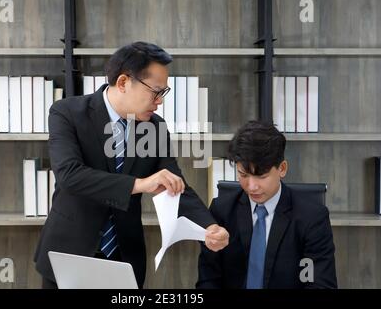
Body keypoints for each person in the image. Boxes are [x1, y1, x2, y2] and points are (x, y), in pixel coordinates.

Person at [34, 41, 229, 289]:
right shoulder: (67, 113)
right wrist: (141, 184)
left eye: (163, 93)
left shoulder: (154, 126)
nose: (159, 101)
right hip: (68, 252)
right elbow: (69, 175)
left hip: (123, 256)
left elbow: (175, 184)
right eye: (155, 91)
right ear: (124, 82)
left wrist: (209, 227)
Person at [196, 121, 337, 289]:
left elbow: (320, 284)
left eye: (261, 176)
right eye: (243, 174)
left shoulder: (312, 217)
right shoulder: (222, 211)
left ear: (282, 168)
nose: (252, 186)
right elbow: (208, 280)